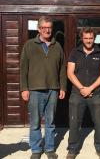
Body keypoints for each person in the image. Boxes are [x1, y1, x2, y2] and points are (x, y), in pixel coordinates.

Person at [20, 16, 67, 159]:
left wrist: (63, 87)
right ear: (39, 29)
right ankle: (35, 150)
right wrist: (24, 88)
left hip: (53, 89)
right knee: (35, 122)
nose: (47, 30)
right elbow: (23, 69)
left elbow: (62, 69)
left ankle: (50, 149)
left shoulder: (57, 46)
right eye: (44, 27)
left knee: (50, 122)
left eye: (49, 27)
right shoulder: (29, 45)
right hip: (34, 90)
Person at [66, 27, 100, 159]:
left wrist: (90, 89)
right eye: (86, 38)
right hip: (77, 94)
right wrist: (82, 88)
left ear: (94, 38)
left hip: (96, 94)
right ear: (81, 38)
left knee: (99, 123)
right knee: (74, 123)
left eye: (91, 38)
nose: (88, 41)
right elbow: (70, 73)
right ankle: (72, 149)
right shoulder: (74, 52)